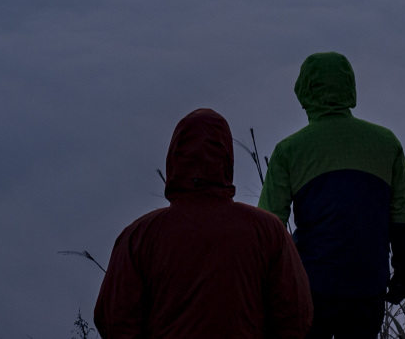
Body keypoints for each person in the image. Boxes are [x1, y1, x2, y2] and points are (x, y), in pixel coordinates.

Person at [96, 108, 314, 339]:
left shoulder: (139, 236)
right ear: (227, 159)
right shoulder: (267, 230)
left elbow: (114, 319)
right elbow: (296, 314)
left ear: (174, 159)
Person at [257, 53, 405, 339]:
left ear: (303, 91)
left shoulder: (289, 151)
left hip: (311, 288)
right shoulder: (386, 143)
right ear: (350, 88)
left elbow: (269, 227)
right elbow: (402, 214)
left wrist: (268, 289)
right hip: (368, 287)